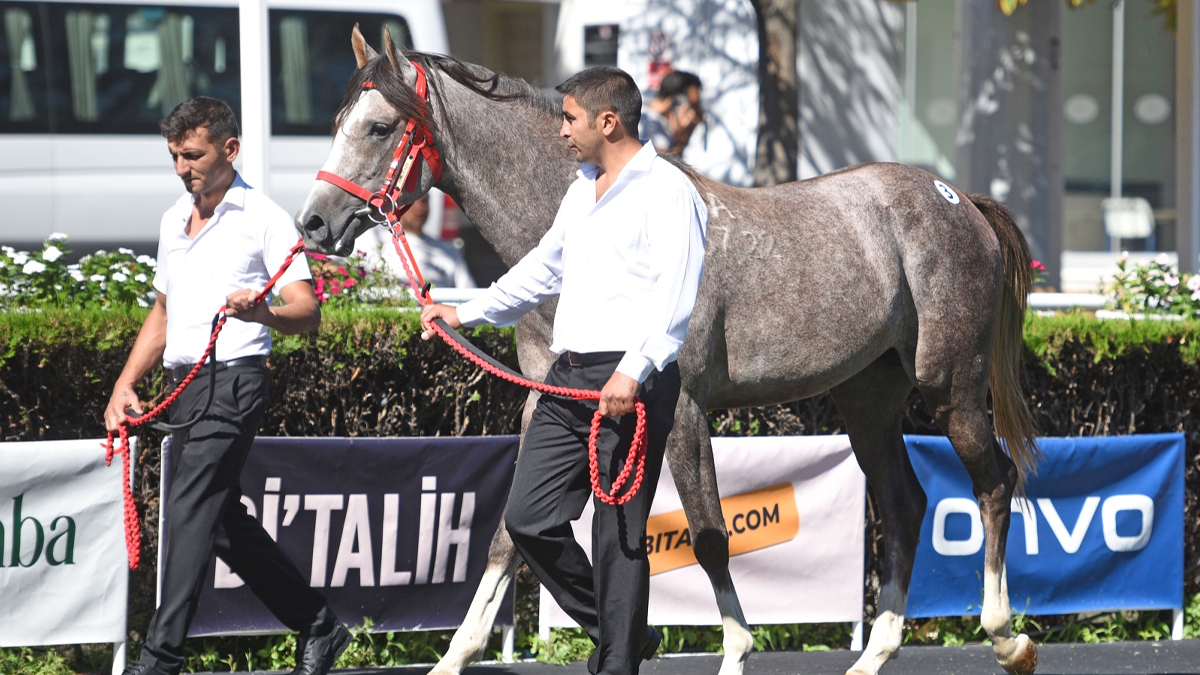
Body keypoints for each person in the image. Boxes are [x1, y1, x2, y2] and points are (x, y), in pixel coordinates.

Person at [420, 67, 707, 675]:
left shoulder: (667, 191)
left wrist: (634, 371)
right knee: (528, 519)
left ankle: (617, 661)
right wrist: (464, 312)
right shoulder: (582, 187)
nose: (561, 131)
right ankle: (621, 633)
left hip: (632, 382)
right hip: (568, 376)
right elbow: (540, 272)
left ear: (608, 122)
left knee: (618, 535)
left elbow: (677, 297)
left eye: (570, 118)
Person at [104, 97, 349, 675]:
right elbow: (162, 313)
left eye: (193, 154)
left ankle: (159, 657)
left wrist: (262, 313)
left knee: (189, 507)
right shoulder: (172, 219)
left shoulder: (262, 218)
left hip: (235, 382)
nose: (182, 167)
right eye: (174, 156)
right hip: (184, 386)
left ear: (229, 150)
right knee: (217, 523)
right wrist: (123, 383)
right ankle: (320, 625)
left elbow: (307, 311)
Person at [356, 190, 476, 289]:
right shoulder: (371, 239)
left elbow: (468, 293)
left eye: (424, 201)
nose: (420, 208)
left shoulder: (448, 251)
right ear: (397, 204)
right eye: (411, 203)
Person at [639, 70, 703, 155]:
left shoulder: (659, 121)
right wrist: (680, 140)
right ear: (678, 100)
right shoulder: (648, 123)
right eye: (693, 105)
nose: (695, 115)